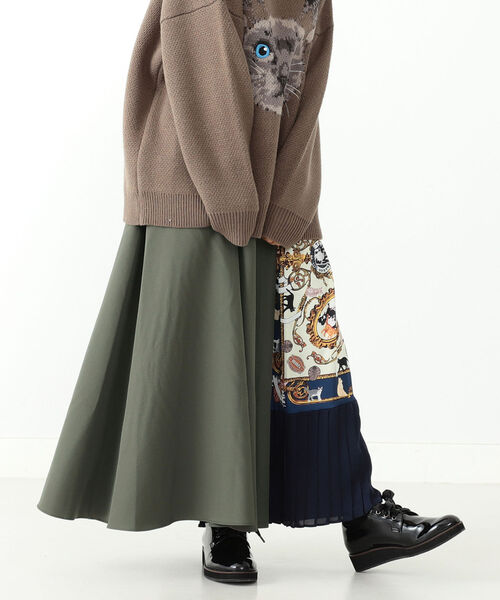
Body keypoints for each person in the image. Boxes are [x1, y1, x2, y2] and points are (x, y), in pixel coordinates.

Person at [37, 0, 465, 584]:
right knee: (218, 357)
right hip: (198, 184)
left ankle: (358, 512)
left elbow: (309, 80)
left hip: (274, 186)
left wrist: (291, 196)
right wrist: (231, 194)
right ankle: (225, 524)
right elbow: (198, 72)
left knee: (309, 354)